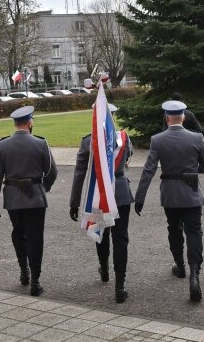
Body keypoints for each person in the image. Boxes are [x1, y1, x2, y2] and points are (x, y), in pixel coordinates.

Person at [134, 100, 204, 302]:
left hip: (170, 194)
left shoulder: (157, 140)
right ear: (184, 117)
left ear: (167, 118)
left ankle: (180, 266)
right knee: (194, 231)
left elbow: (148, 170)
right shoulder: (197, 137)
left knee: (174, 229)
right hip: (192, 193)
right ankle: (195, 276)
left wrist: (140, 197)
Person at [0, 106, 58, 297]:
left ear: (15, 124)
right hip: (35, 197)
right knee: (36, 238)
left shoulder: (3, 145)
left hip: (13, 199)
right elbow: (52, 171)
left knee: (19, 234)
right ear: (30, 123)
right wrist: (44, 187)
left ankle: (23, 270)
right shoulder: (41, 143)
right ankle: (35, 280)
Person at [69, 103, 133, 303]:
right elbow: (128, 157)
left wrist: (74, 202)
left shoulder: (89, 141)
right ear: (113, 117)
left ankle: (104, 269)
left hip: (99, 193)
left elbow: (80, 173)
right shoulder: (123, 138)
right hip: (121, 192)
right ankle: (120, 285)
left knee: (102, 233)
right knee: (121, 238)